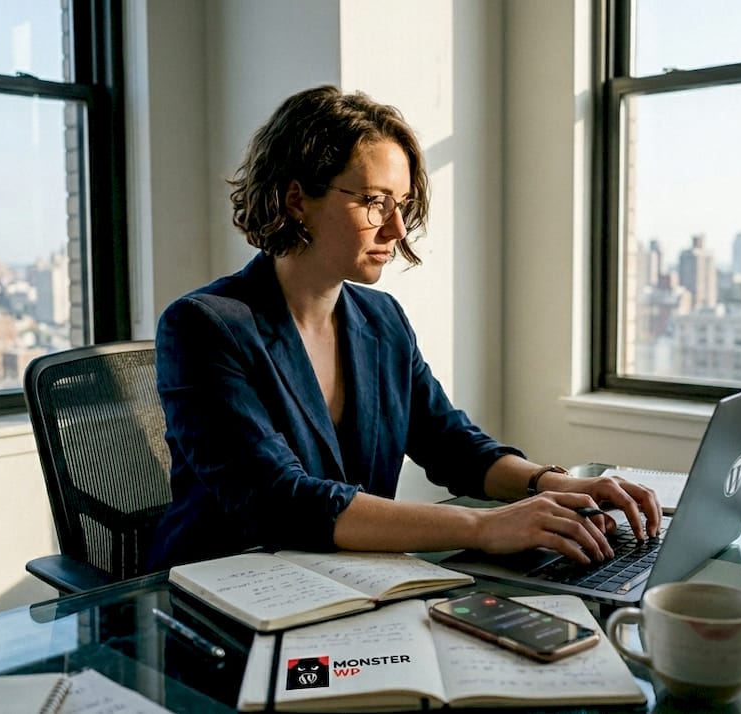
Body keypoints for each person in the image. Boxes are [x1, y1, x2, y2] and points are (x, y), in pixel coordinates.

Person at [148, 85, 660, 569]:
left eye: (402, 205)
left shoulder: (381, 319)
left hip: (350, 589)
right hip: (222, 603)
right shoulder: (203, 327)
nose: (395, 229)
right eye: (375, 202)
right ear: (297, 199)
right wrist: (482, 527)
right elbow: (279, 502)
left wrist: (552, 483)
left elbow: (452, 446)